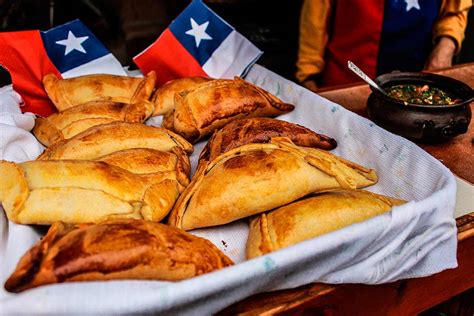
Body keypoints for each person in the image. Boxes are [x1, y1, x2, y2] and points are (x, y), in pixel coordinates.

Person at [296, 0, 472, 90]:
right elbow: (315, 14)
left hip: (418, 80)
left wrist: (445, 47)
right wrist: (308, 74)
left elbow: (455, 9)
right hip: (345, 81)